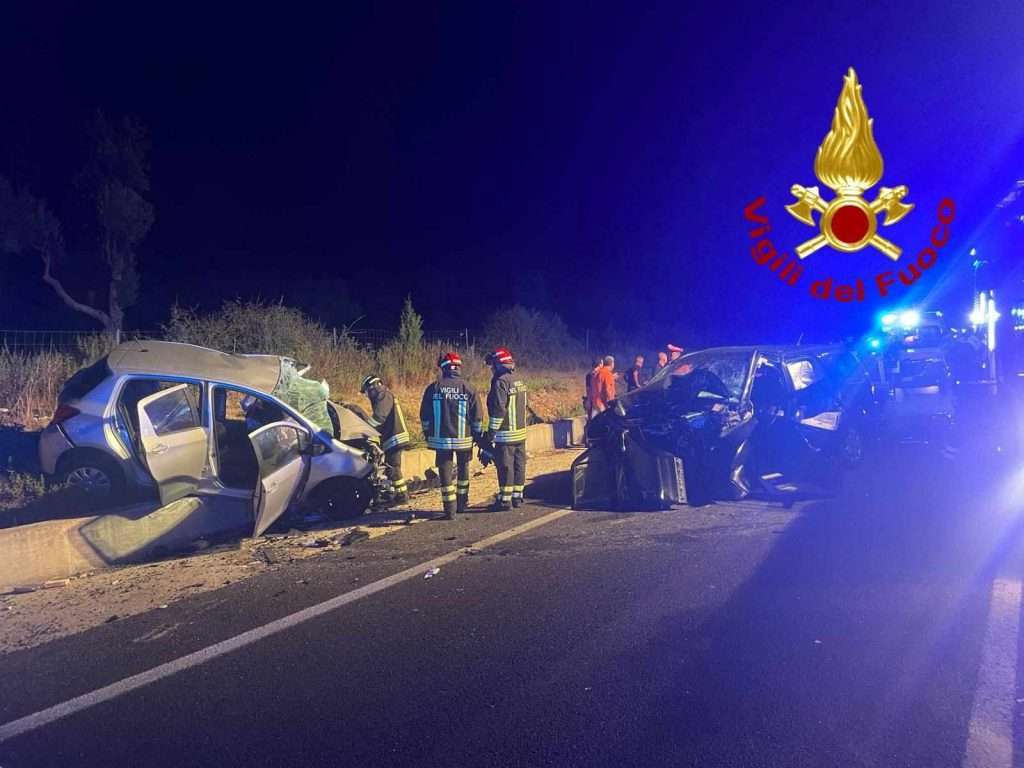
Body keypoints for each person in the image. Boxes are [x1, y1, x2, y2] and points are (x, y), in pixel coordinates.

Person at [419, 353, 483, 519]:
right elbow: (477, 416)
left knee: (445, 473)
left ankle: (450, 510)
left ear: (444, 368)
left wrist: (427, 432)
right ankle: (462, 503)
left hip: (441, 441)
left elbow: (425, 415)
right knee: (463, 470)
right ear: (458, 368)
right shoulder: (468, 388)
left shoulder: (434, 388)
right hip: (464, 440)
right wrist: (477, 436)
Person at [485, 346, 528, 511]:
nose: (491, 369)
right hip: (520, 433)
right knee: (519, 465)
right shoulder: (520, 380)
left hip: (506, 435)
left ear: (498, 365)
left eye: (492, 365)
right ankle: (517, 497)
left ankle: (505, 500)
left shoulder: (501, 382)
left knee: (505, 467)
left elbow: (498, 410)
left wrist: (490, 434)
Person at [360, 375, 411, 505]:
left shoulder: (382, 394)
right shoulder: (383, 395)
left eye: (366, 392)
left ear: (372, 387)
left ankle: (402, 497)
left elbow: (379, 417)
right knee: (391, 467)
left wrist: (366, 429)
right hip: (392, 436)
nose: (367, 395)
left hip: (395, 436)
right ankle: (396, 494)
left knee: (393, 468)